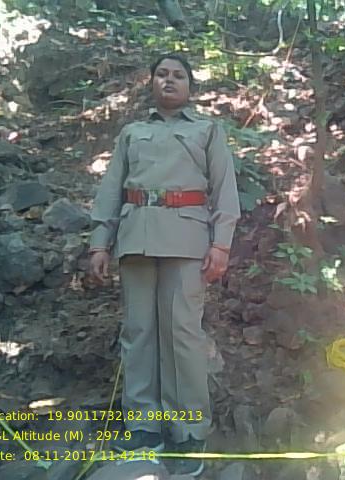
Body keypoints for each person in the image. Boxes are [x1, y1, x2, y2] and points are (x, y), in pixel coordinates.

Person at [88, 53, 240, 476]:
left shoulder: (207, 130)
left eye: (178, 75)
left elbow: (225, 191)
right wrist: (100, 242)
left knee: (183, 334)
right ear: (151, 82)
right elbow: (111, 190)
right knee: (138, 332)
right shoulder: (132, 133)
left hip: (187, 240)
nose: (169, 81)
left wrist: (221, 245)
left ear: (190, 86)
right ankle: (144, 428)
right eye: (161, 74)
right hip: (136, 237)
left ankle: (188, 430)